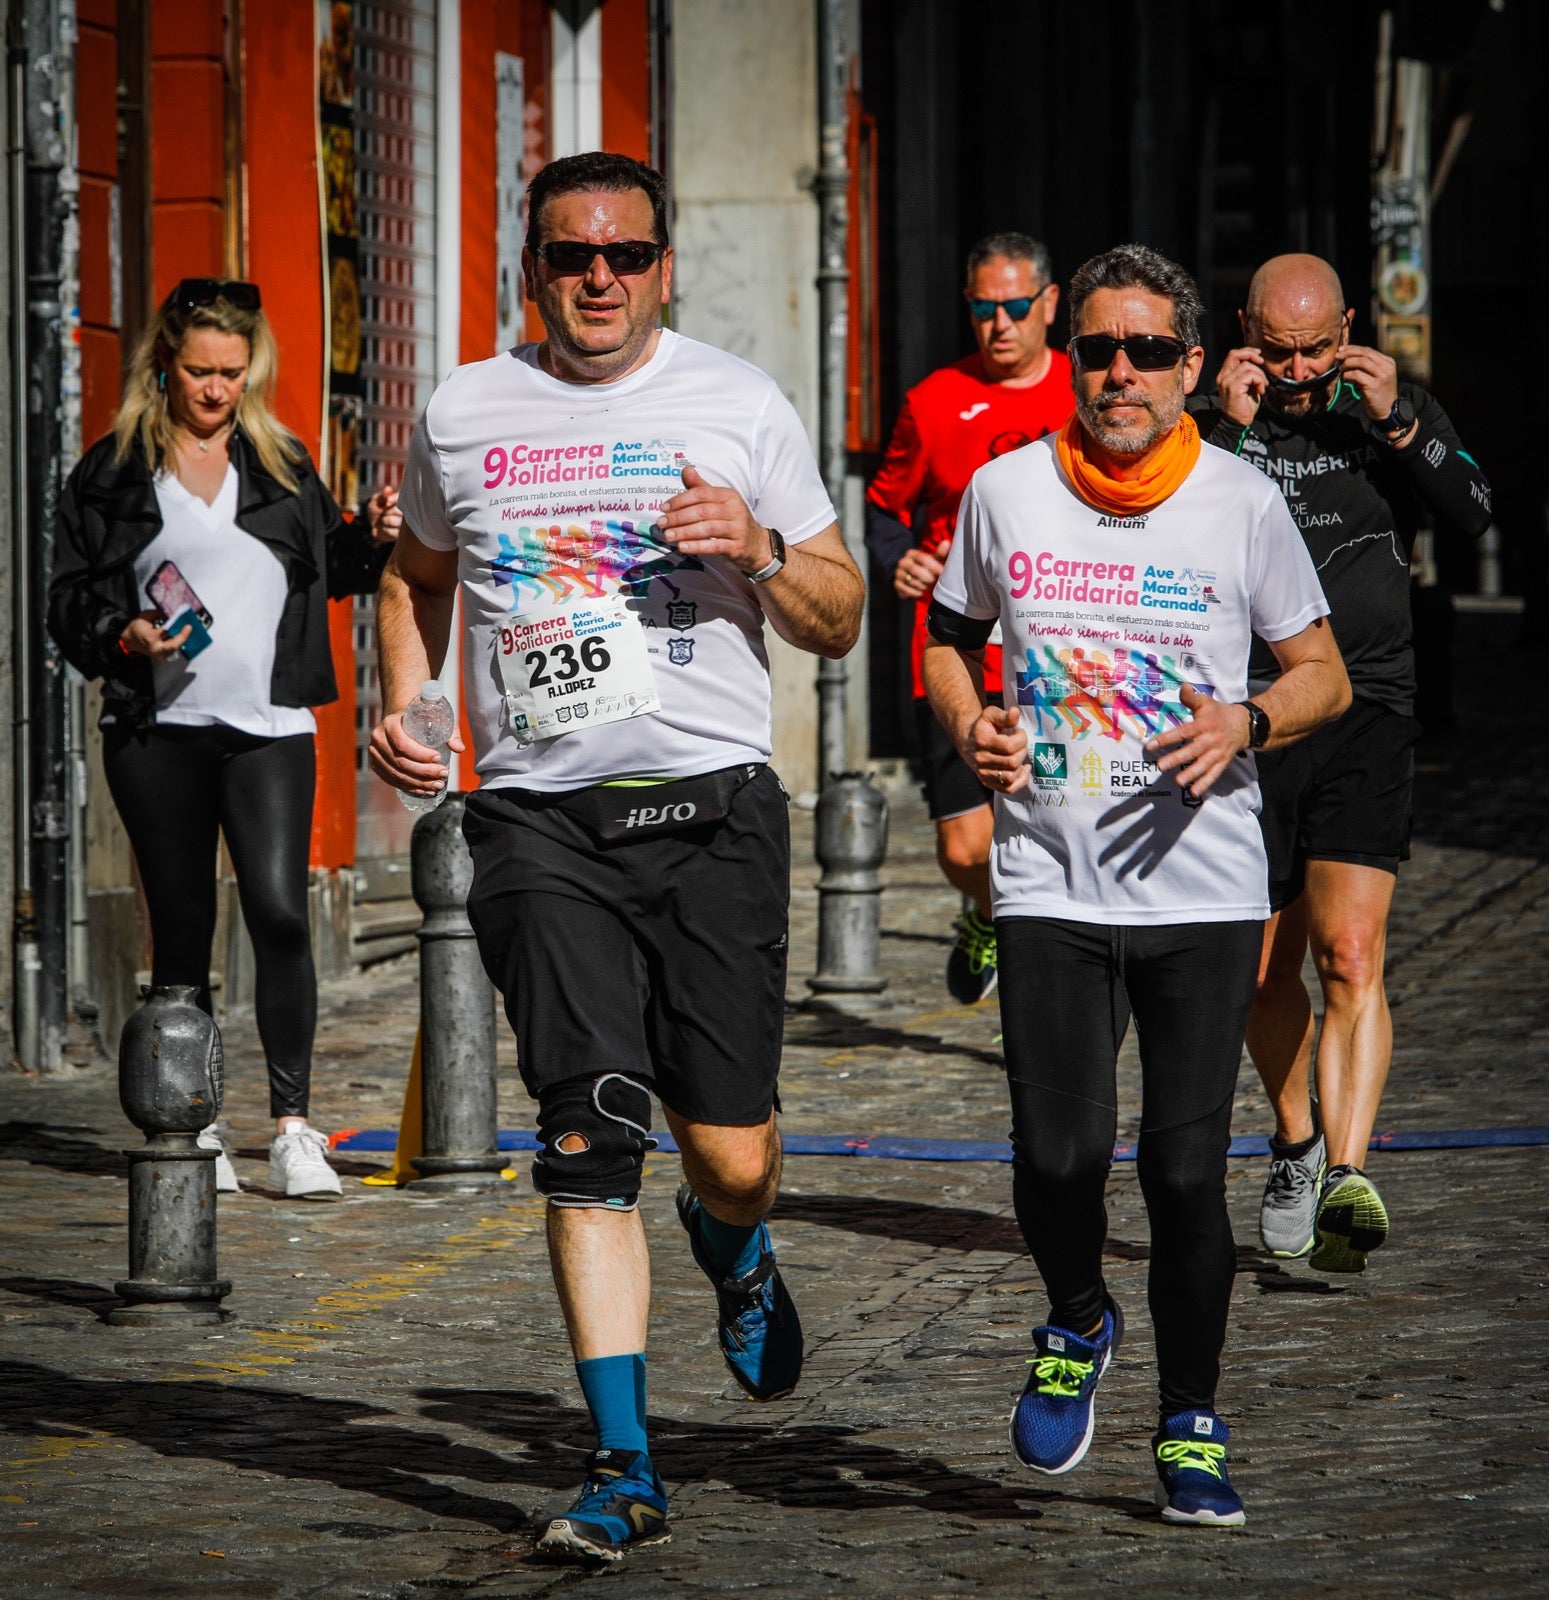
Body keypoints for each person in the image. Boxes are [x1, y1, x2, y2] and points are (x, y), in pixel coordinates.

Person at [369, 151, 864, 1565]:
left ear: (663, 267)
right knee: (587, 1133)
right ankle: (623, 1465)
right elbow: (412, 576)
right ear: (531, 267)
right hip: (540, 822)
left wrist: (758, 547)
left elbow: (836, 615)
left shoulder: (738, 402)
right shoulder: (464, 411)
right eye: (572, 255)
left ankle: (737, 1242)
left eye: (626, 255)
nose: (600, 277)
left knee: (731, 1154)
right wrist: (408, 703)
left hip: (712, 816)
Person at [924, 244, 1349, 1525]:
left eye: (1149, 350)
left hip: (1199, 891)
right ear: (1075, 358)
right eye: (1100, 349)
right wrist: (968, 723)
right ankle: (1075, 1316)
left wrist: (1247, 722)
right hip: (1047, 879)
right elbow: (947, 638)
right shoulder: (1005, 492)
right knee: (1057, 1157)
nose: (1121, 372)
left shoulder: (1240, 503)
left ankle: (1190, 1422)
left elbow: (1322, 672)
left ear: (1190, 364)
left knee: (1180, 1173)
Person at [49, 276, 398, 1199]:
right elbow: (68, 599)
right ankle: (190, 1119)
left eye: (233, 374)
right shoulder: (114, 470)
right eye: (200, 371)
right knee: (181, 932)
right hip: (156, 730)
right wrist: (121, 633)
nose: (216, 390)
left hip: (269, 727)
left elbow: (336, 567)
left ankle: (292, 1130)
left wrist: (376, 535)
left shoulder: (280, 463)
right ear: (165, 364)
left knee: (279, 913)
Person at [1192, 255, 1492, 1272]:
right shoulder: (1212, 424)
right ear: (1245, 331)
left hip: (1368, 706)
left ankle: (1348, 1175)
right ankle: (1296, 1143)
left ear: (1347, 328)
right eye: (1277, 351)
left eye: (1315, 350)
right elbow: (1167, 539)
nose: (1296, 372)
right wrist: (1227, 432)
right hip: (1256, 712)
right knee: (1260, 972)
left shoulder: (1386, 409)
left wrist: (1400, 422)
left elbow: (1473, 510)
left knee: (1350, 954)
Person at [866, 232, 1072, 1002]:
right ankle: (986, 910)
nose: (999, 325)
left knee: (1059, 823)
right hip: (953, 650)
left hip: (1056, 651)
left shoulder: (1086, 392)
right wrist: (900, 558)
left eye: (1015, 306)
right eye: (983, 310)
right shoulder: (932, 401)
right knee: (963, 848)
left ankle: (1051, 969)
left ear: (1048, 302)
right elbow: (883, 509)